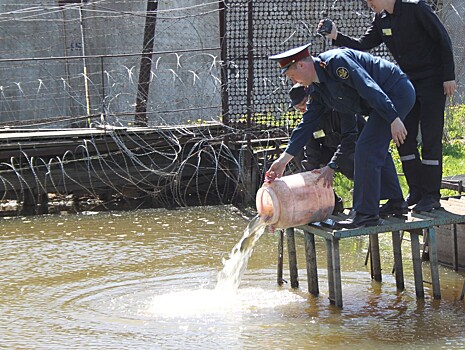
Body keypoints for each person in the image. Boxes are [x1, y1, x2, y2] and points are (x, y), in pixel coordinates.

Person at [320, 0, 456, 212]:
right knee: (405, 140)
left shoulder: (416, 8)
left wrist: (449, 76)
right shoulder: (381, 18)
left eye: (369, 0)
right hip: (408, 84)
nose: (368, 3)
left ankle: (431, 196)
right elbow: (364, 44)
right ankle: (416, 190)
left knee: (431, 138)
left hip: (433, 80)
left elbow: (442, 39)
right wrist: (337, 36)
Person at [268, 43, 415, 228]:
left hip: (395, 93)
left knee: (366, 147)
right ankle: (396, 202)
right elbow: (306, 125)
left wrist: (393, 117)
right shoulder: (317, 89)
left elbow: (367, 86)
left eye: (292, 76)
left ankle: (365, 214)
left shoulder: (336, 63)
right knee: (373, 147)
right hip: (382, 102)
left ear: (301, 65)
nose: (294, 82)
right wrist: (283, 160)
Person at [288, 83, 366, 213]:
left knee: (348, 158)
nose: (302, 109)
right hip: (332, 150)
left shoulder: (338, 108)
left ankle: (365, 202)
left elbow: (350, 141)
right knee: (299, 152)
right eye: (298, 108)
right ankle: (331, 201)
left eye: (303, 104)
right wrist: (310, 177)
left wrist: (333, 164)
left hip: (356, 149)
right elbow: (311, 150)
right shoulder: (310, 119)